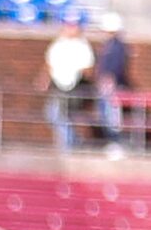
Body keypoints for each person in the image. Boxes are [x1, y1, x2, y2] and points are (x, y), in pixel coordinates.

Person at [45, 18, 93, 152]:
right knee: (53, 115)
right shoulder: (58, 44)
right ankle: (72, 141)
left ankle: (68, 145)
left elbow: (88, 70)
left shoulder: (82, 46)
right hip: (58, 86)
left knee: (59, 115)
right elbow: (49, 64)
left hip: (73, 88)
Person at [94, 13, 132, 152]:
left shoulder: (117, 46)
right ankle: (113, 141)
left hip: (112, 87)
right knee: (106, 114)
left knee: (112, 116)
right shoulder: (109, 45)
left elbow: (116, 67)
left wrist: (109, 79)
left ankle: (117, 143)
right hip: (107, 87)